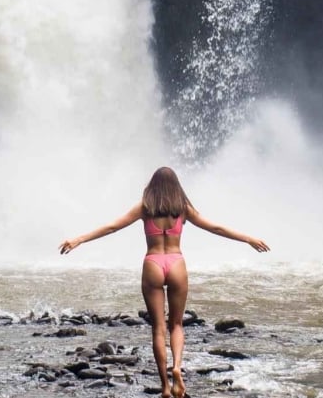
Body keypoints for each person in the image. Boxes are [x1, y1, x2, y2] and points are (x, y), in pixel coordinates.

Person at [59, 166, 269, 398]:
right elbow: (215, 227)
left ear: (153, 186)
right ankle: (177, 367)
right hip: (176, 264)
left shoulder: (145, 208)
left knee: (158, 329)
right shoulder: (183, 209)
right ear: (176, 186)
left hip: (153, 263)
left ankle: (165, 388)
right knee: (176, 325)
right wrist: (248, 238)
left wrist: (79, 239)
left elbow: (112, 227)